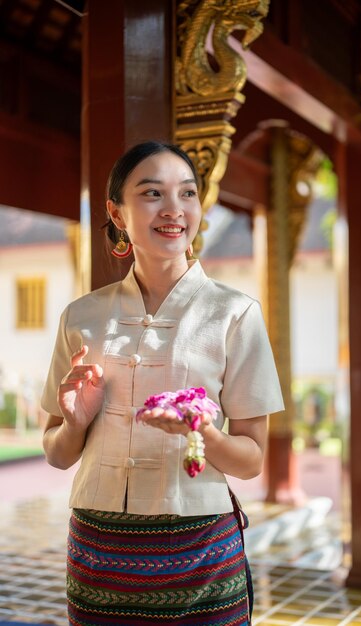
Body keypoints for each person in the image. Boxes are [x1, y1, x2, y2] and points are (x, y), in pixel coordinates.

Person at [42, 141, 284, 626]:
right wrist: (75, 421)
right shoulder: (81, 316)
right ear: (117, 212)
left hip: (201, 555)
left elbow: (253, 460)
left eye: (187, 193)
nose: (174, 209)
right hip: (98, 552)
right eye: (152, 193)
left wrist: (204, 433)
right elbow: (58, 452)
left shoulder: (235, 314)